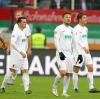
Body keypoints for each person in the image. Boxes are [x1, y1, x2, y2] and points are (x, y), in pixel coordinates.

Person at [0, 17, 32, 94]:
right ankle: (3, 86)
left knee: (25, 71)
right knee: (12, 70)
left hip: (23, 54)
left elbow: (24, 42)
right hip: (16, 54)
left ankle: (26, 89)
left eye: (25, 22)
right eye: (23, 22)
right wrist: (20, 51)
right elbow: (13, 43)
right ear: (19, 23)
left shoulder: (23, 31)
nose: (25, 23)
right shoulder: (16, 31)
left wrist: (26, 50)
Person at [72, 12, 100, 93]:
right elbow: (77, 40)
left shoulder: (85, 29)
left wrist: (87, 47)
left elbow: (85, 40)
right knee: (76, 69)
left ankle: (91, 87)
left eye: (86, 17)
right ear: (80, 19)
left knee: (91, 68)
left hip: (86, 52)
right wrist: (83, 48)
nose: (86, 19)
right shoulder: (76, 29)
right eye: (84, 18)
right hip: (78, 52)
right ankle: (75, 87)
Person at [7, 10, 32, 85]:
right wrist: (9, 47)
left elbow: (29, 37)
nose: (17, 16)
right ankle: (19, 79)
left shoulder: (26, 26)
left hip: (23, 48)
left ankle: (13, 79)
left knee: (20, 64)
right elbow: (13, 38)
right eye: (16, 15)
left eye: (19, 15)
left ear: (22, 16)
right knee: (18, 64)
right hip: (16, 48)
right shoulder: (15, 25)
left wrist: (29, 48)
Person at [52, 12, 74, 97]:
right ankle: (54, 87)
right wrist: (60, 52)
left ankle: (64, 92)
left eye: (69, 17)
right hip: (61, 53)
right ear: (63, 19)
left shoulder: (72, 30)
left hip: (70, 54)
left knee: (68, 74)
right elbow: (56, 40)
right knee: (63, 72)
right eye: (66, 17)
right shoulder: (59, 28)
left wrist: (75, 54)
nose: (68, 18)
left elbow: (73, 43)